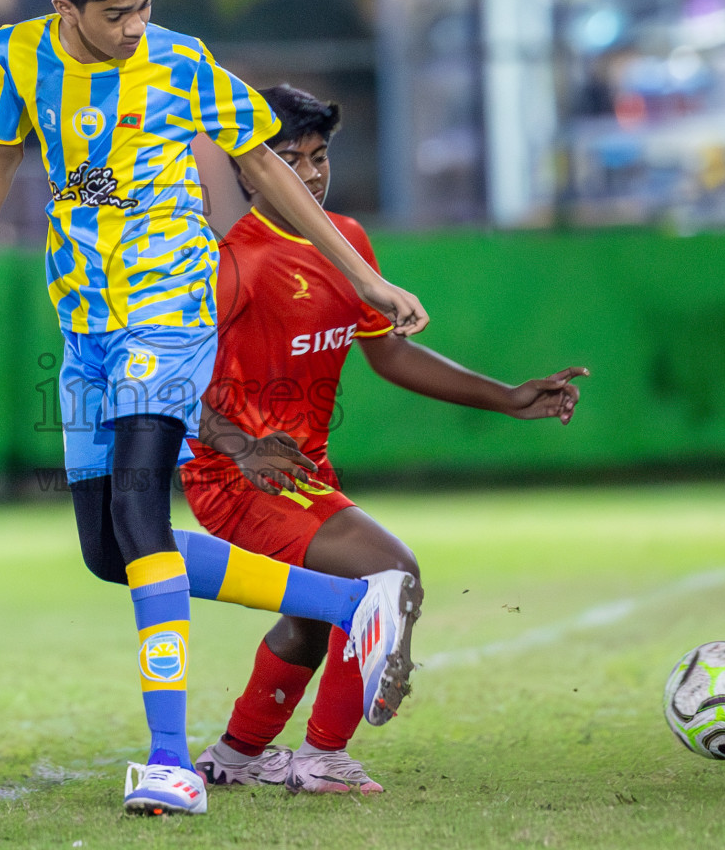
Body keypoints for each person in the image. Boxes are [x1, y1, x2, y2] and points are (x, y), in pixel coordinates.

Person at [0, 0, 431, 816]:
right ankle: (347, 602)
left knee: (138, 510)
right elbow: (7, 154)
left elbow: (270, 172)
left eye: (144, 7)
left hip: (167, 314)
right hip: (85, 328)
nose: (134, 26)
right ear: (64, 8)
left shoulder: (181, 63)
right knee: (106, 552)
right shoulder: (16, 58)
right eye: (117, 13)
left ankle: (170, 761)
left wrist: (363, 275)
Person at [183, 84, 588, 794]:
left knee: (312, 621)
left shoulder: (348, 244)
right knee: (388, 574)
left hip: (302, 473)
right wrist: (243, 449)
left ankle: (237, 756)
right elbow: (169, 387)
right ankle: (323, 756)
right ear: (251, 168)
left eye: (320, 155)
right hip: (235, 477)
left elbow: (391, 353)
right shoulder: (228, 261)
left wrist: (506, 396)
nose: (310, 173)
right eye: (290, 158)